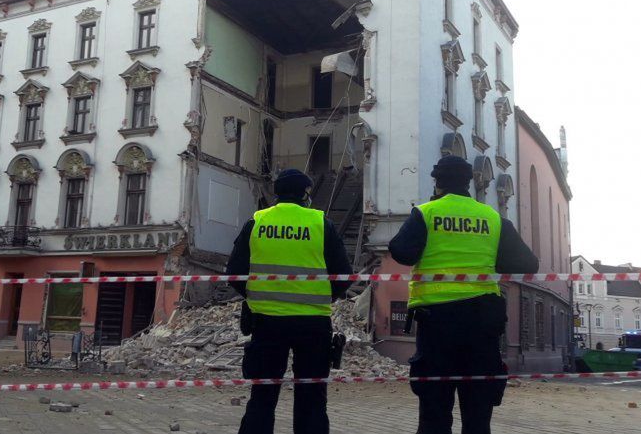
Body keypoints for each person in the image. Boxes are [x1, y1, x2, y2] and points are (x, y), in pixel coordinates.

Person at [389, 155, 538, 434]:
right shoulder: (493, 217)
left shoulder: (426, 213)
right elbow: (528, 263)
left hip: (437, 324)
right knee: (478, 415)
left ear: (438, 183)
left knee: (434, 413)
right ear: (469, 182)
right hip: (483, 324)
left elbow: (401, 252)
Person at [225, 168, 353, 434]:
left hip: (267, 323)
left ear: (277, 194)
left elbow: (234, 272)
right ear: (307, 194)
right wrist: (324, 296)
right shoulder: (320, 223)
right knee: (312, 399)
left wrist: (255, 296)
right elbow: (343, 274)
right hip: (313, 325)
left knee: (262, 396)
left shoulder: (257, 221)